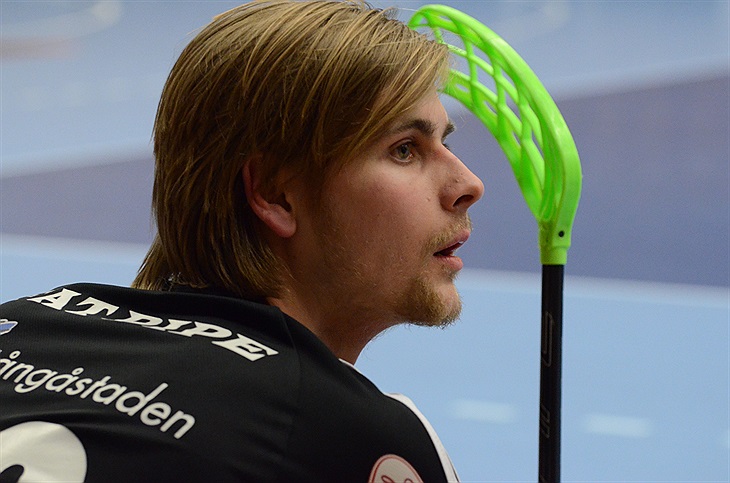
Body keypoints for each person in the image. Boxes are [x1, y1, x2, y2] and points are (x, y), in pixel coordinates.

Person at [0, 0, 484, 481]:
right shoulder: (351, 438)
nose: (468, 184)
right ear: (275, 195)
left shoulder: (22, 324)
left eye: (445, 142)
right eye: (404, 150)